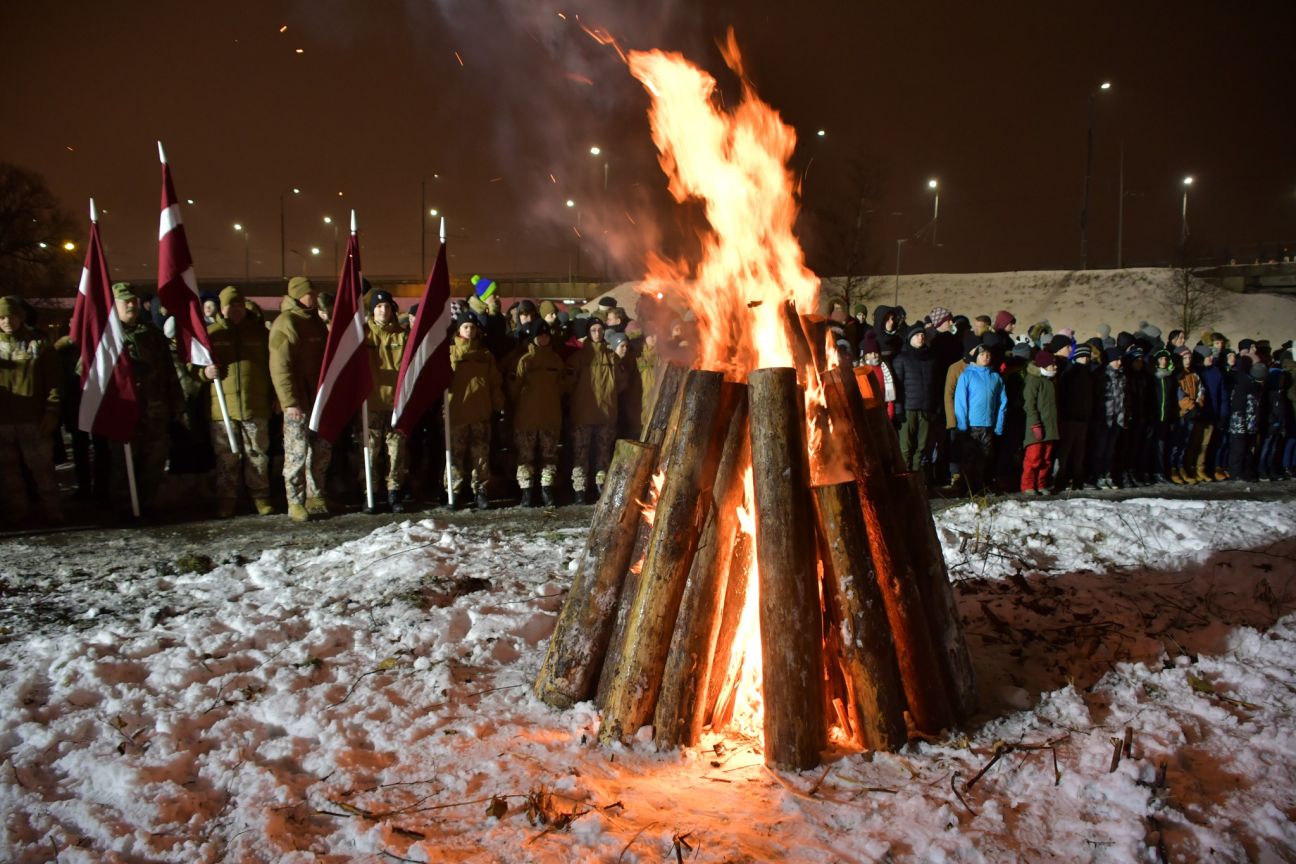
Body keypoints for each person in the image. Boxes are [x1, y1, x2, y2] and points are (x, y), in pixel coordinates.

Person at [110, 283, 186, 516]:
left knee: (154, 458)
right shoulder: (106, 336)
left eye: (133, 300)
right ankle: (125, 506)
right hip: (123, 413)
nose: (131, 305)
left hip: (154, 410)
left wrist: (177, 403)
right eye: (125, 301)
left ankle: (148, 503)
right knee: (122, 463)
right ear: (114, 305)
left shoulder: (152, 334)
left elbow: (169, 372)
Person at [202, 286, 274, 517]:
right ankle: (227, 499)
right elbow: (193, 366)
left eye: (238, 305)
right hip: (223, 410)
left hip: (255, 406)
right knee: (226, 458)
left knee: (257, 454)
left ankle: (260, 496)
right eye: (229, 305)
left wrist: (275, 398)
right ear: (221, 308)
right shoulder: (210, 335)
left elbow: (273, 367)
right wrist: (204, 372)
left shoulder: (260, 334)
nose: (234, 309)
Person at [269, 276, 331, 522]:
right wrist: (289, 402)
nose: (313, 297)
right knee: (297, 453)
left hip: (318, 400)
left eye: (314, 293)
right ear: (297, 295)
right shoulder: (286, 323)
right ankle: (295, 501)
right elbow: (280, 366)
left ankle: (316, 495)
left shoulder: (315, 322)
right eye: (309, 293)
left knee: (320, 451)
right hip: (299, 402)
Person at [0, 295, 62, 523]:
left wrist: (52, 410)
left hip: (33, 419)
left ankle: (53, 510)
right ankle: (18, 511)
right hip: (3, 422)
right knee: (8, 472)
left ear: (21, 317)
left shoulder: (38, 342)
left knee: (43, 469)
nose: (7, 321)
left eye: (11, 316)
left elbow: (54, 380)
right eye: (2, 317)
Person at [565, 318, 626, 502]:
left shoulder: (612, 357)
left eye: (600, 330)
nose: (597, 333)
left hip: (606, 415)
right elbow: (567, 384)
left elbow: (622, 382)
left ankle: (601, 487)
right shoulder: (578, 358)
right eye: (593, 330)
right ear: (588, 332)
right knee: (580, 454)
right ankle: (580, 490)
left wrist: (609, 397)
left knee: (603, 455)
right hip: (582, 414)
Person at [447, 315, 504, 509]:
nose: (469, 331)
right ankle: (454, 491)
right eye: (465, 327)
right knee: (455, 455)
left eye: (472, 327)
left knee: (480, 455)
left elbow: (495, 382)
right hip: (457, 413)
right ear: (458, 330)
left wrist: (498, 403)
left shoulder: (485, 355)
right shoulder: (450, 353)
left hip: (481, 413)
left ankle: (481, 490)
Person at [363, 290, 410, 512]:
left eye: (387, 307)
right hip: (370, 404)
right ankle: (370, 492)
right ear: (372, 310)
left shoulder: (402, 336)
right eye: (379, 307)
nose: (383, 311)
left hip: (394, 405)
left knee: (396, 451)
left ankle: (394, 492)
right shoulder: (363, 335)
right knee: (371, 451)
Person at [511, 321, 564, 507]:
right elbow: (514, 388)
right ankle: (526, 491)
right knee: (525, 456)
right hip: (527, 417)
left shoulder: (556, 360)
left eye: (546, 335)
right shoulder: (525, 360)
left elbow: (562, 386)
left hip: (550, 416)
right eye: (539, 335)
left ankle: (546, 489)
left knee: (549, 456)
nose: (543, 338)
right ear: (532, 337)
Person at [952, 341, 1005, 494]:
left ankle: (983, 486)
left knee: (987, 457)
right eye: (982, 354)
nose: (985, 357)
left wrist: (999, 425)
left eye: (988, 354)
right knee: (970, 458)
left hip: (988, 425)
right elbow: (960, 402)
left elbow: (1002, 402)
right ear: (976, 357)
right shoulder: (967, 375)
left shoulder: (996, 377)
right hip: (971, 426)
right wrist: (962, 426)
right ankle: (968, 488)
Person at [891, 324, 938, 474]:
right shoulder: (901, 359)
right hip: (908, 410)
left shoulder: (930, 358)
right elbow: (897, 387)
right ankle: (906, 481)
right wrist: (898, 411)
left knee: (922, 448)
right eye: (917, 335)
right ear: (910, 338)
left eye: (923, 335)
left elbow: (935, 384)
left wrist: (934, 407)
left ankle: (918, 480)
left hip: (926, 409)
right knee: (905, 448)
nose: (921, 337)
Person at [1021, 350, 1059, 494]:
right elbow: (1029, 405)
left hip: (1050, 427)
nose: (1055, 366)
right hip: (1036, 427)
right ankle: (1028, 485)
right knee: (1033, 458)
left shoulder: (1051, 381)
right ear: (1043, 365)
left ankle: (1041, 484)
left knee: (1046, 459)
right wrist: (1035, 424)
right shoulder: (1033, 381)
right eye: (1052, 364)